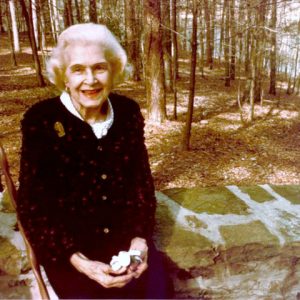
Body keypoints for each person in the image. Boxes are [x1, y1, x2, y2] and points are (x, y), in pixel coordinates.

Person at [17, 23, 172, 299]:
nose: (90, 80)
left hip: (127, 248)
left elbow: (141, 185)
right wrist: (82, 264)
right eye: (78, 69)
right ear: (64, 75)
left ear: (113, 71)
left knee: (157, 292)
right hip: (72, 254)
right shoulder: (40, 120)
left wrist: (140, 242)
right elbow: (33, 207)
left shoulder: (127, 113)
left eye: (99, 67)